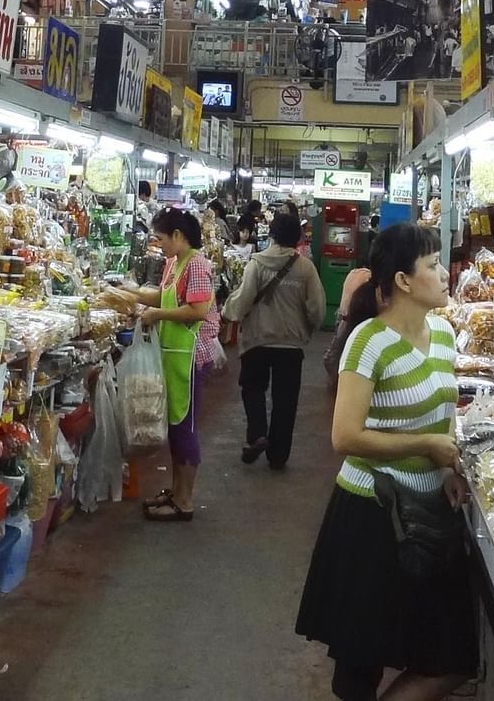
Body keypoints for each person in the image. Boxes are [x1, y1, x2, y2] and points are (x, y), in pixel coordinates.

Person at [296, 224, 474, 701]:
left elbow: (445, 410)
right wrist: (427, 447)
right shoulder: (369, 341)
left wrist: (445, 467)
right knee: (359, 669)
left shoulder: (442, 333)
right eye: (432, 266)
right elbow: (345, 435)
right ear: (402, 281)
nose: (443, 274)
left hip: (426, 514)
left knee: (453, 658)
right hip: (372, 515)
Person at [123, 207, 221, 521]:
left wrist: (157, 316)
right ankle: (176, 491)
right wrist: (131, 295)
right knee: (176, 427)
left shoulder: (197, 265)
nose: (159, 244)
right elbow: (164, 298)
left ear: (178, 236)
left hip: (190, 357)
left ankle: (185, 501)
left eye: (161, 238)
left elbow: (198, 310)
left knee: (185, 428)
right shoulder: (173, 264)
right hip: (174, 355)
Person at [223, 207, 325, 471]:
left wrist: (228, 312)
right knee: (286, 399)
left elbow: (243, 300)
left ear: (273, 235)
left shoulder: (257, 263)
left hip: (257, 340)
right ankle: (278, 455)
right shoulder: (306, 268)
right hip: (290, 345)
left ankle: (258, 434)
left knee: (253, 388)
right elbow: (317, 308)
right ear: (298, 239)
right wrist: (310, 327)